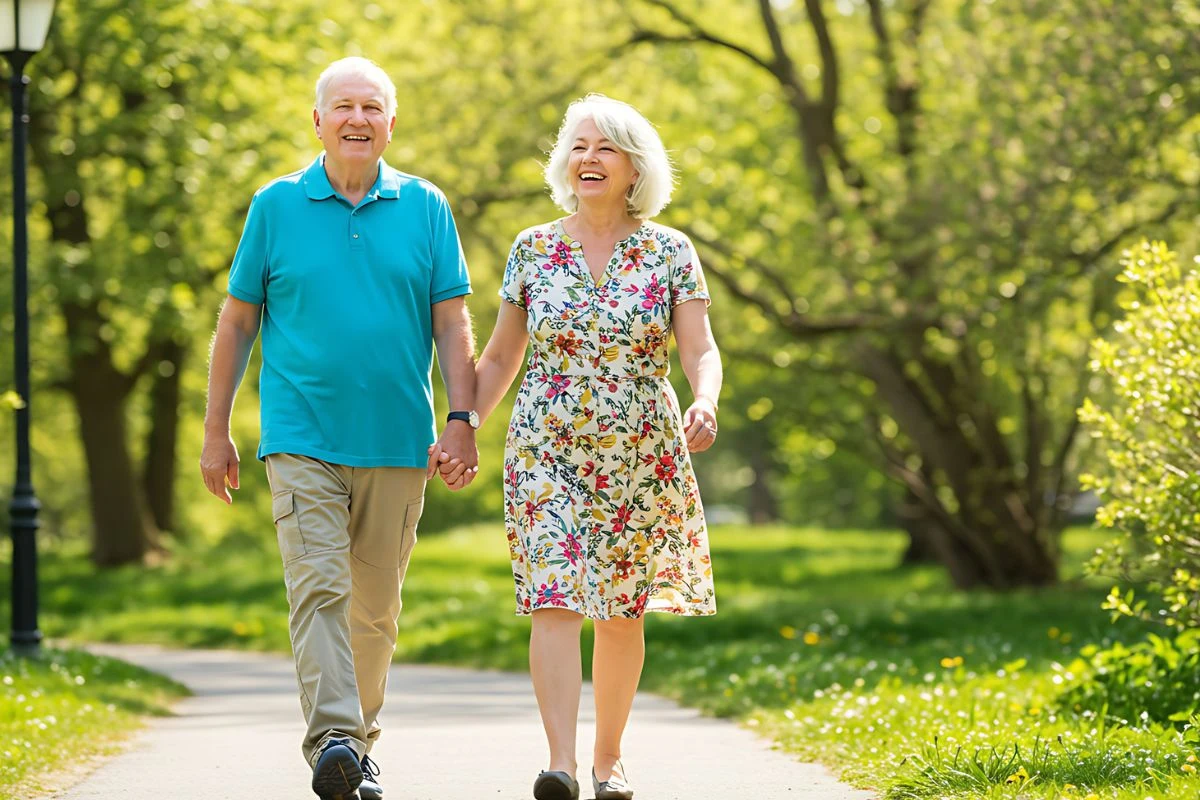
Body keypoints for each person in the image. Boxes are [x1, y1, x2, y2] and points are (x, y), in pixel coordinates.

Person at [200, 56, 479, 800]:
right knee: (319, 588)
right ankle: (333, 739)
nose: (358, 118)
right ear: (316, 120)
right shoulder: (276, 205)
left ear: (392, 122)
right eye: (344, 106)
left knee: (375, 609)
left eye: (373, 107)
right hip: (301, 436)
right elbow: (236, 322)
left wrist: (462, 419)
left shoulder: (426, 207)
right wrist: (215, 430)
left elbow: (452, 324)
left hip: (397, 440)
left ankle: (355, 746)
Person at [447, 93, 722, 800]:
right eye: (579, 146)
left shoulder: (670, 251)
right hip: (547, 447)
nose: (589, 158)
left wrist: (706, 398)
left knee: (620, 612)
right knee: (555, 598)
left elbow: (700, 348)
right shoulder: (533, 247)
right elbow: (502, 358)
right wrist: (461, 423)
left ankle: (609, 760)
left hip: (640, 450)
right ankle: (560, 764)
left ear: (636, 167)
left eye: (605, 148)